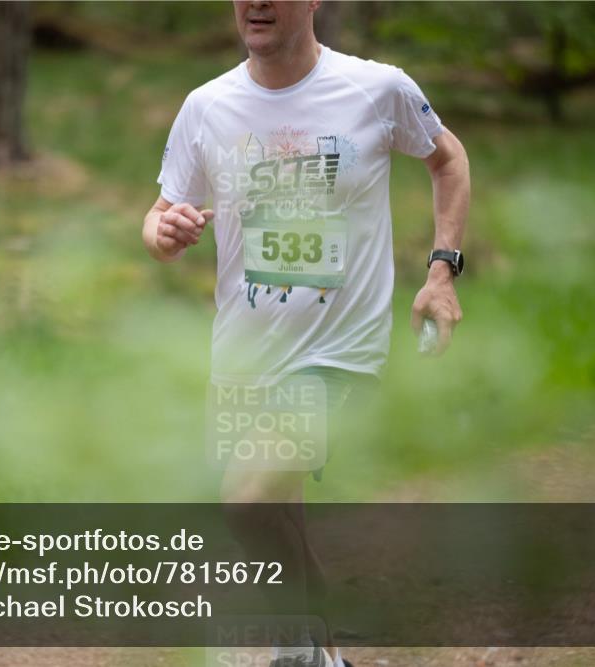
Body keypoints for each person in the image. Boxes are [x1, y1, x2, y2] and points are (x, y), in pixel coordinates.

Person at [142, 2, 470, 665]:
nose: (257, 2)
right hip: (244, 355)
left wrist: (442, 272)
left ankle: (307, 635)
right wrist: (164, 231)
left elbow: (449, 159)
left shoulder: (377, 89)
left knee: (247, 502)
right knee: (276, 514)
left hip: (337, 352)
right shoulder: (207, 106)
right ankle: (314, 654)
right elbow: (159, 214)